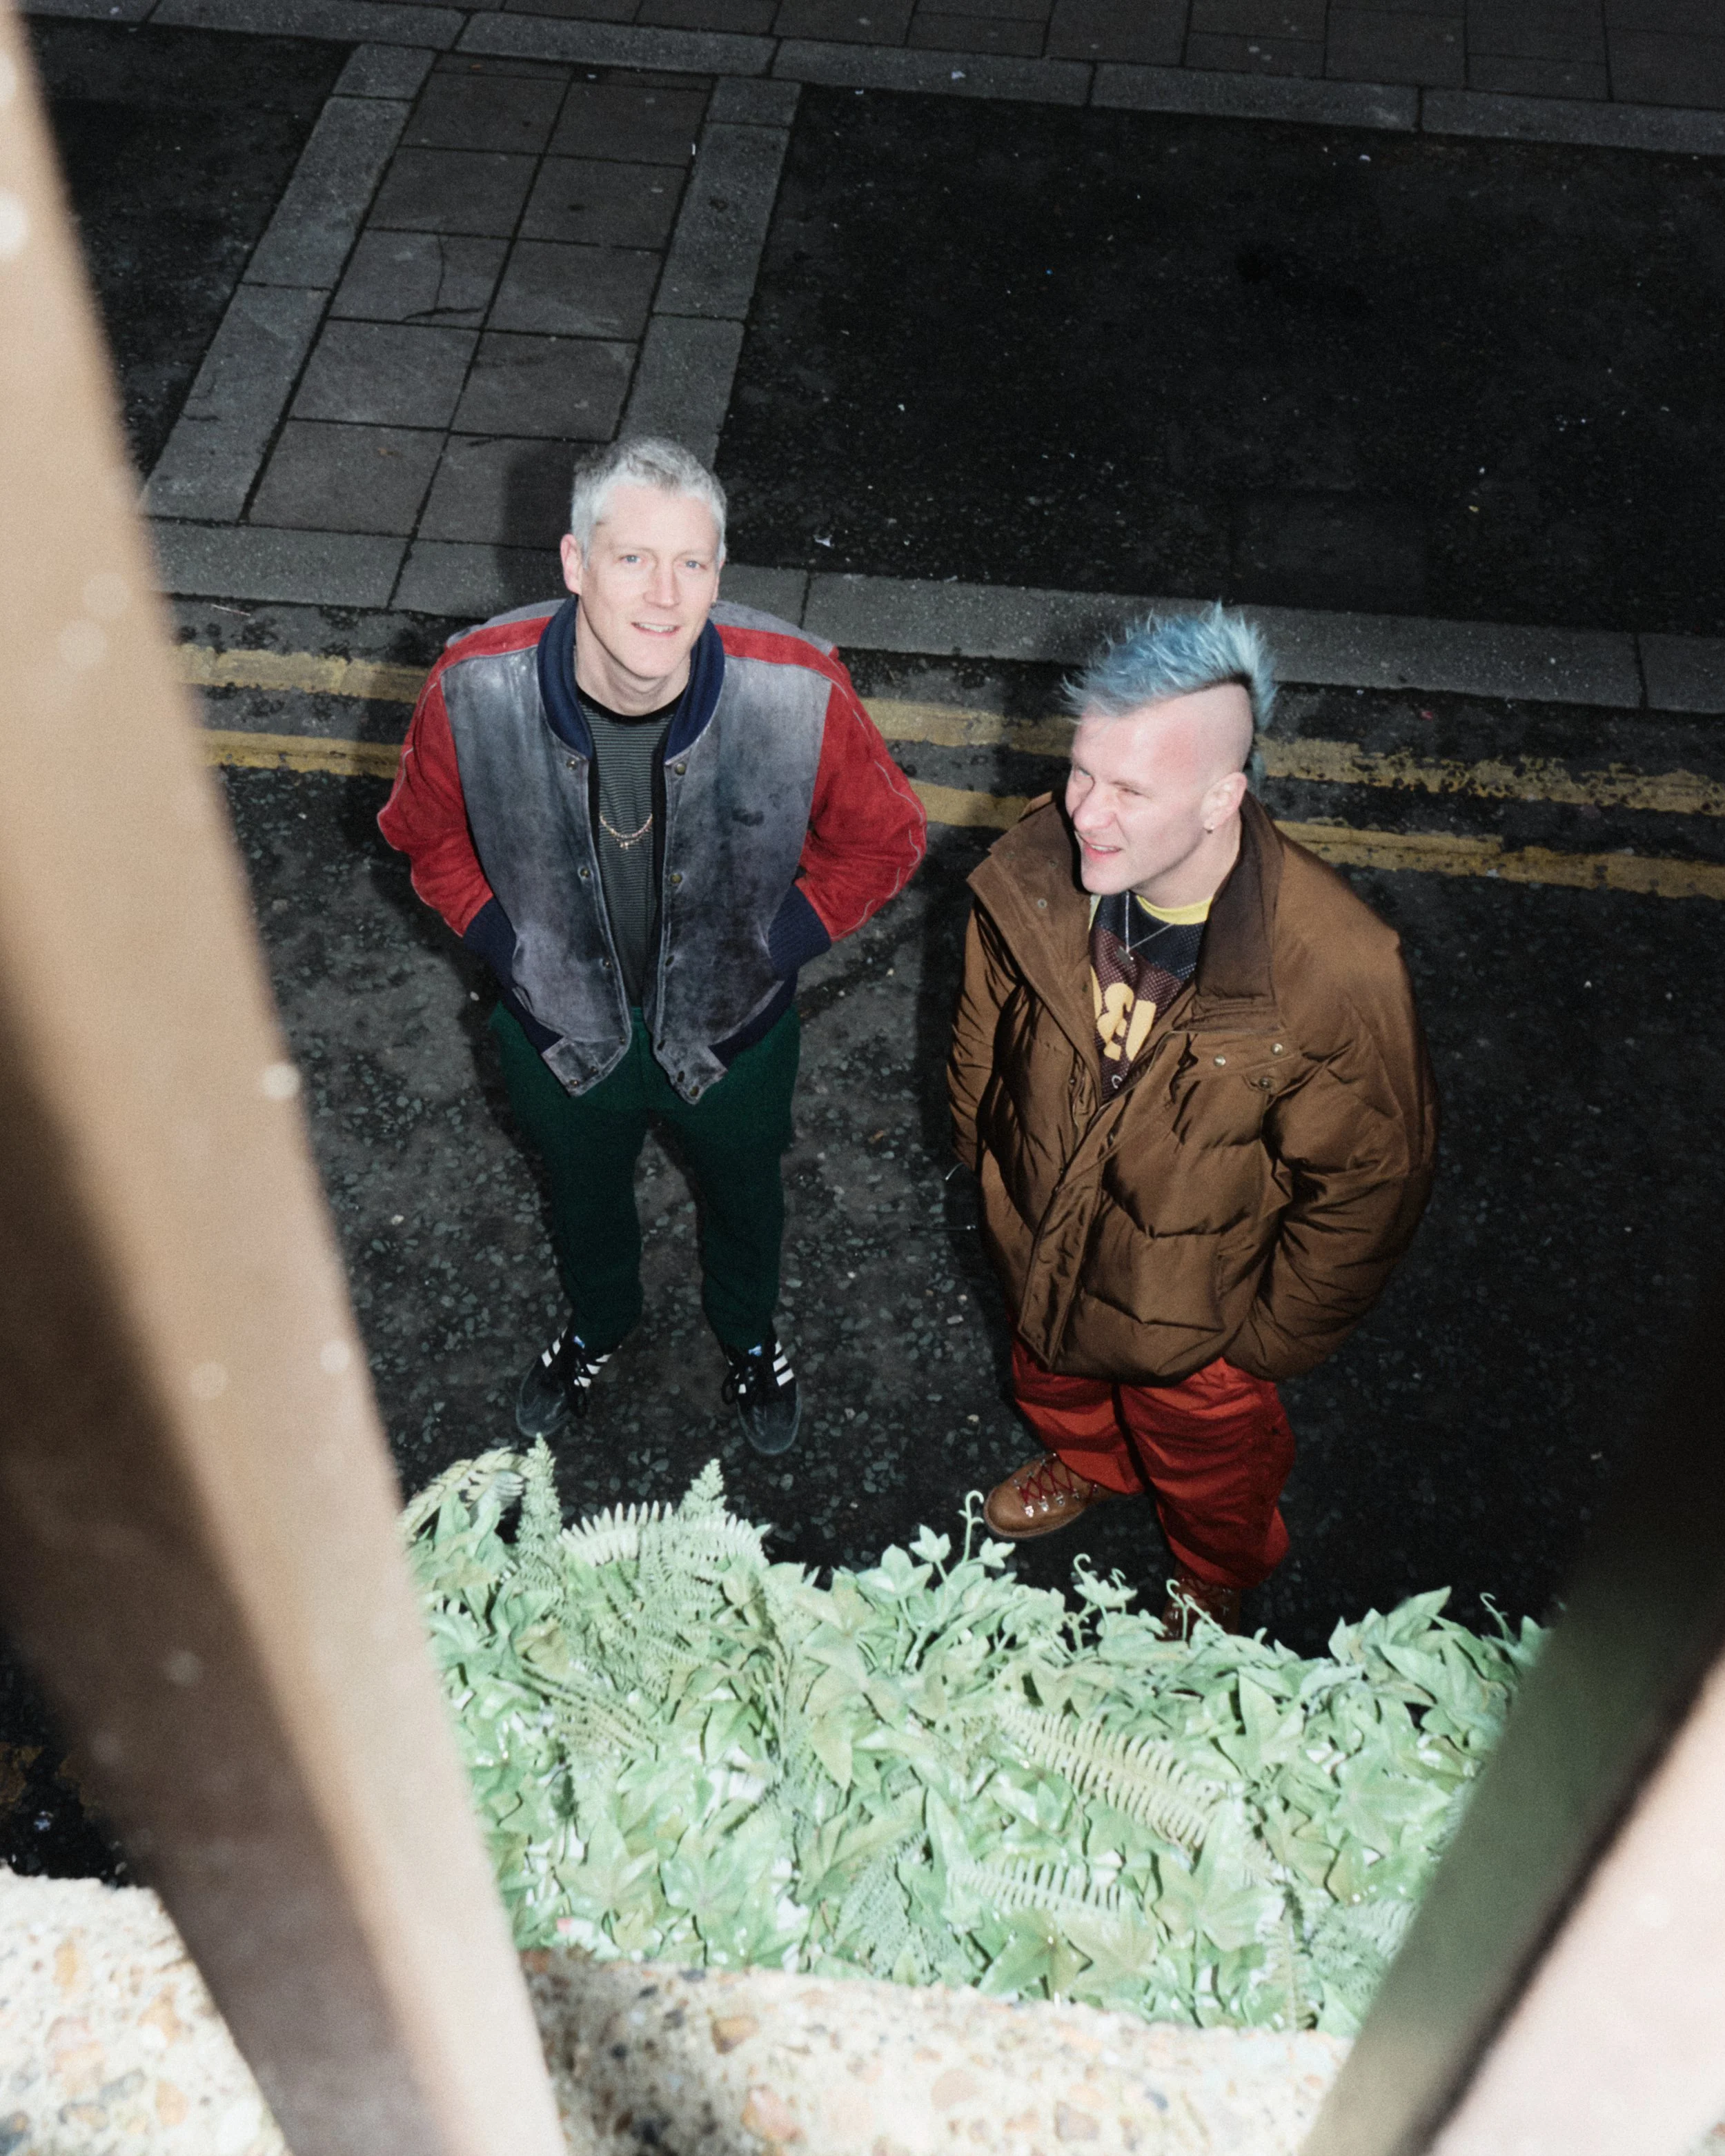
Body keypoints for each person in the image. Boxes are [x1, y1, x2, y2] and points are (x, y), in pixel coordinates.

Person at [379, 437, 926, 1455]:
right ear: (575, 564)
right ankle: (598, 1325)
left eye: (692, 563)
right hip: (555, 1032)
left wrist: (779, 942)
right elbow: (423, 835)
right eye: (632, 559)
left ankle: (750, 1336)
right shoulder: (472, 687)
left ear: (721, 572)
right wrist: (506, 941)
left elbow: (888, 837)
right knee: (583, 1198)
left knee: (745, 1195)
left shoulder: (799, 688)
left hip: (737, 1035)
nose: (664, 596)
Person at [948, 606, 1436, 1632]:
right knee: (1058, 1386)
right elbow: (979, 1040)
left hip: (1197, 1318)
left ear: (1224, 797)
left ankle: (1216, 1569)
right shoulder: (1039, 871)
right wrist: (994, 1180)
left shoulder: (1337, 969)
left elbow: (1367, 1187)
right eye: (1083, 770)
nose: (1087, 813)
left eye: (1132, 789)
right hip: (1042, 1248)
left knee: (1212, 1466)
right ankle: (1089, 1466)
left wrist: (1259, 1345)